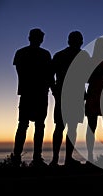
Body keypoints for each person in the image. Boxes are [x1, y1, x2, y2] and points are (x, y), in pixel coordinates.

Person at [11, 28, 53, 167]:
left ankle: (20, 157)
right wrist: (52, 89)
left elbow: (21, 73)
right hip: (37, 94)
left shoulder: (21, 53)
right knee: (35, 126)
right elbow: (48, 75)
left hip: (30, 93)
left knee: (25, 125)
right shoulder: (44, 54)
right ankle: (32, 158)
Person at [49, 31, 90, 167]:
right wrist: (54, 89)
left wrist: (55, 89)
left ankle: (63, 159)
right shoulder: (81, 56)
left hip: (71, 94)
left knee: (64, 127)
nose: (80, 42)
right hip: (68, 94)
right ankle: (60, 159)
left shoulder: (62, 55)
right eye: (79, 40)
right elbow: (50, 75)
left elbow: (87, 76)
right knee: (65, 127)